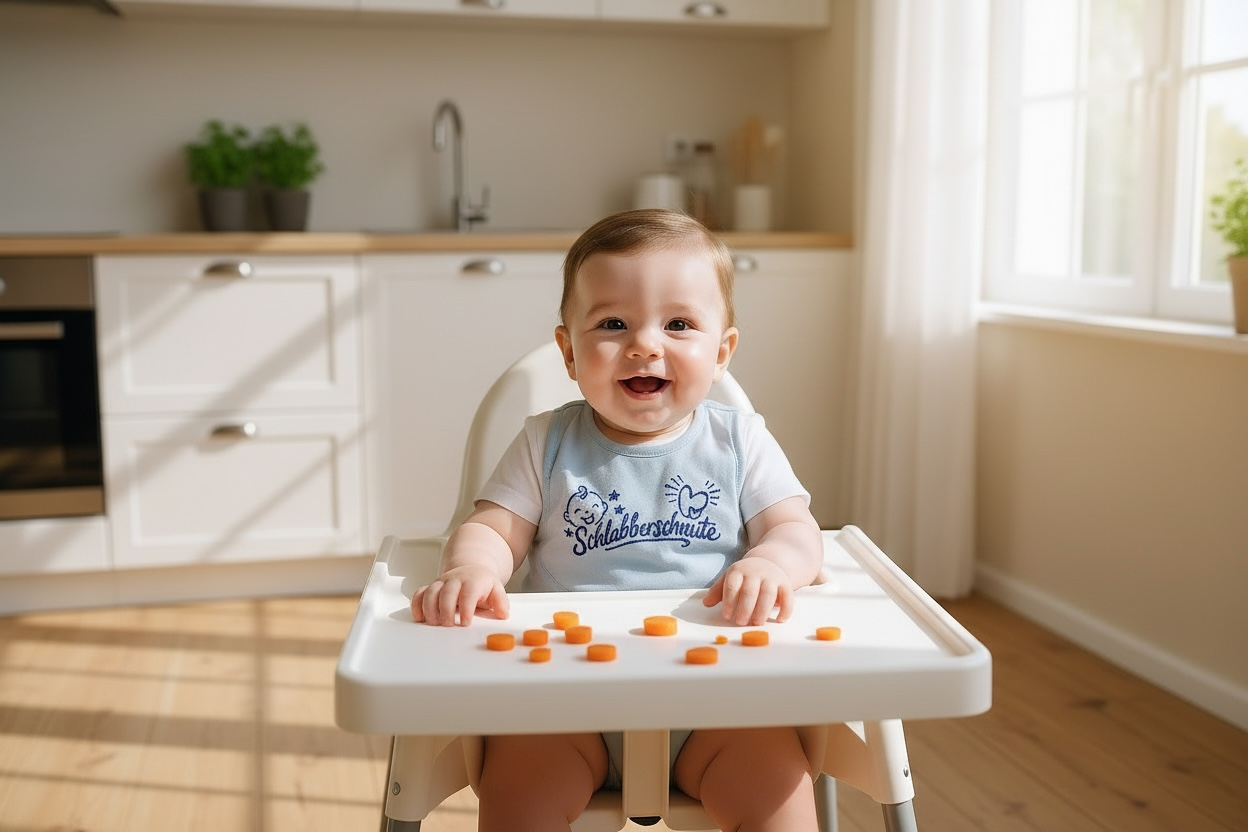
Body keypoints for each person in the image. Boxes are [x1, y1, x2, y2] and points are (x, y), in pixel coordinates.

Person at [411, 208, 825, 832]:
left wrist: (771, 564)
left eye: (679, 324)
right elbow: (494, 528)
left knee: (778, 790)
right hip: (565, 699)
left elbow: (796, 531)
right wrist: (472, 568)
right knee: (520, 792)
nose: (645, 344)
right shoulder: (546, 442)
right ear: (569, 352)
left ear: (722, 352)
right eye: (612, 324)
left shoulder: (740, 441)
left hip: (717, 699)